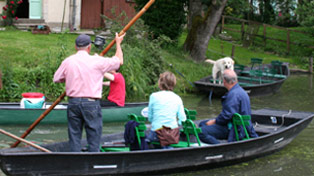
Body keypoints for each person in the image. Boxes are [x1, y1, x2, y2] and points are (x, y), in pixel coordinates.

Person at [53, 33, 125, 152]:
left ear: (76, 47)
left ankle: (75, 161)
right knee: (94, 135)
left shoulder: (68, 61)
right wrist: (118, 43)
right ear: (89, 47)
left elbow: (56, 78)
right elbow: (119, 61)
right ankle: (92, 162)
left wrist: (70, 77)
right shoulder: (97, 61)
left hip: (73, 102)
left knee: (74, 135)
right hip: (91, 103)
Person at [199, 69, 258, 144]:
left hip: (235, 128)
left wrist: (214, 121)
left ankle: (219, 146)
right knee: (202, 123)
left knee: (201, 132)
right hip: (242, 126)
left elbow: (226, 116)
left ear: (224, 81)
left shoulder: (233, 95)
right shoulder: (241, 91)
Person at [147, 71, 186, 149]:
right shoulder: (177, 98)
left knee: (151, 137)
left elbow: (150, 118)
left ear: (160, 83)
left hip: (156, 134)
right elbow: (183, 119)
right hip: (171, 135)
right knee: (168, 142)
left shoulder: (153, 96)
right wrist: (176, 124)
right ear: (173, 83)